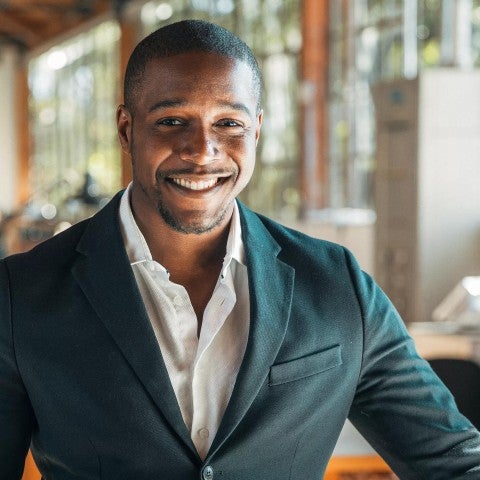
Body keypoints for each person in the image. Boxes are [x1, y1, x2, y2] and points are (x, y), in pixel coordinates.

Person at [1, 19, 479, 480]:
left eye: (229, 122)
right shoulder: (21, 295)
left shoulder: (336, 284)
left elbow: (454, 458)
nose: (203, 149)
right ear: (127, 130)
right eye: (172, 121)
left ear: (256, 130)